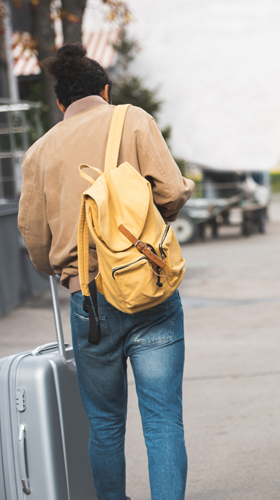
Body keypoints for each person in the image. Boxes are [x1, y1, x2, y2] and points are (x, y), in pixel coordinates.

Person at [18, 44, 193, 500]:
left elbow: (35, 239)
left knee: (105, 425)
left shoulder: (38, 153)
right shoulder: (132, 119)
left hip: (89, 300)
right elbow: (171, 190)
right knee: (162, 420)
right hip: (149, 288)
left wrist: (63, 271)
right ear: (105, 90)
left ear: (61, 103)